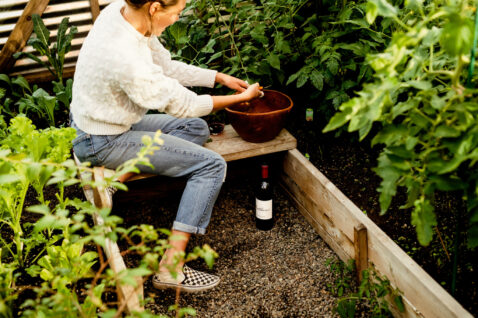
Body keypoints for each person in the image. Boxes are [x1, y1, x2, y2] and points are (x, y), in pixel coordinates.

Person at [69, 0, 262, 292]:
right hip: (101, 140)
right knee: (211, 165)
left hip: (105, 121)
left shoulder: (119, 13)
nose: (177, 18)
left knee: (195, 128)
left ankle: (116, 180)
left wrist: (218, 78)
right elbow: (185, 103)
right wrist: (237, 99)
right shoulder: (126, 55)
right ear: (155, 8)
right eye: (177, 12)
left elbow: (167, 67)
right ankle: (171, 269)